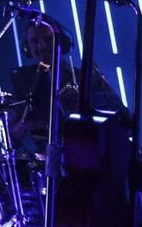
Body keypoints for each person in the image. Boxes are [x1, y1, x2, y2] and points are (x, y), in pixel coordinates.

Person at [14, 16, 124, 148]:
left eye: (48, 39)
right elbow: (12, 140)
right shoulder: (25, 86)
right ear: (27, 48)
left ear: (62, 43)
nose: (41, 46)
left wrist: (86, 102)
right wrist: (18, 130)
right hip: (46, 162)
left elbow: (123, 116)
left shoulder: (85, 77)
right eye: (35, 41)